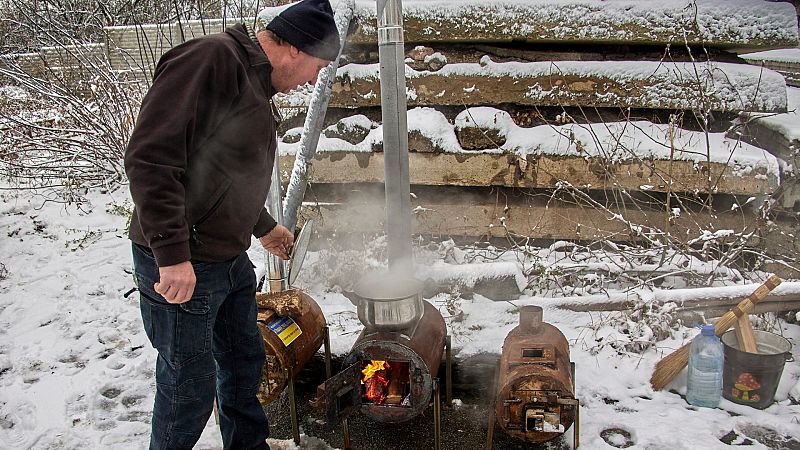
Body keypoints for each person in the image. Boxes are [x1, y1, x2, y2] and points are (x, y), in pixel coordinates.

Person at [124, 0, 340, 448]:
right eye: (317, 67)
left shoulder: (255, 84)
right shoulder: (210, 60)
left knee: (246, 366)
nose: (311, 81)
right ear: (296, 49)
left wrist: (262, 226)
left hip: (227, 260)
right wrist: (172, 256)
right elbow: (150, 159)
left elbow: (221, 174)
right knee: (188, 390)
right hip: (185, 264)